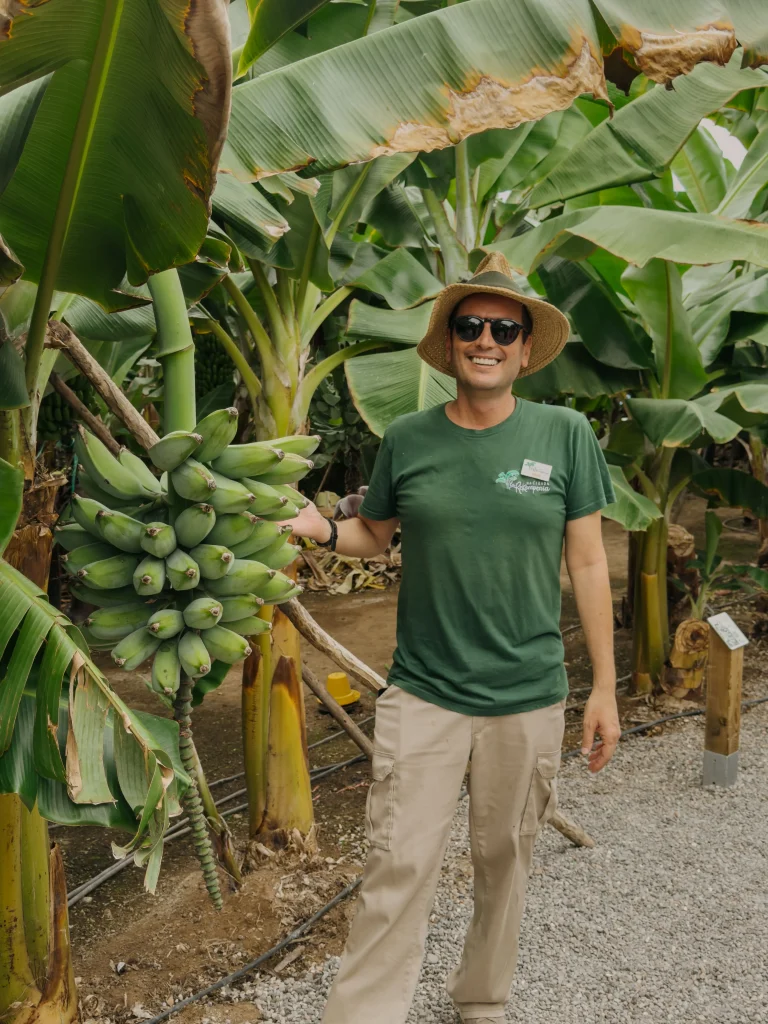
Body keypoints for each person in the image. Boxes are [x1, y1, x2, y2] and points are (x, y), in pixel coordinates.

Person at [286, 252, 621, 1024]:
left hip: (527, 694)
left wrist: (602, 687)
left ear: (525, 349)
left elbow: (590, 558)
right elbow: (374, 534)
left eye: (505, 329)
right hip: (426, 691)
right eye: (471, 326)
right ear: (450, 340)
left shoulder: (566, 434)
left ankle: (481, 998)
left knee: (504, 861)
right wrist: (321, 530)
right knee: (397, 863)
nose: (488, 340)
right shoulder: (408, 437)